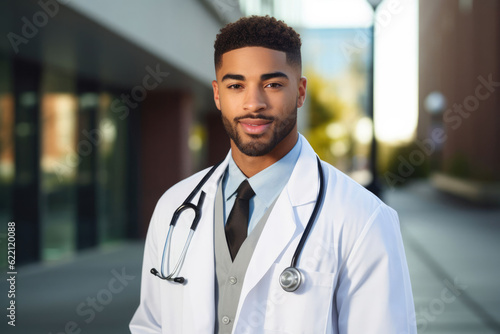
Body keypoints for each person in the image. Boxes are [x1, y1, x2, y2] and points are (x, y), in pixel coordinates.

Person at [130, 15, 416, 334]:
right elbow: (151, 325)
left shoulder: (363, 218)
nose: (254, 104)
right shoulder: (174, 206)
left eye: (273, 84)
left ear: (301, 91)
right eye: (236, 85)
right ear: (217, 94)